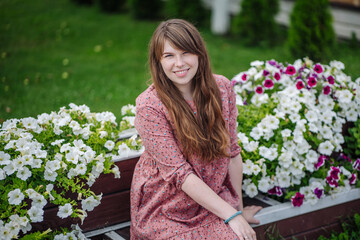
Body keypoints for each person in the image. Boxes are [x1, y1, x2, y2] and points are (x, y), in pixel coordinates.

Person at [130, 19, 262, 240]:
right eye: (169, 56)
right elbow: (180, 175)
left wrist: (237, 209)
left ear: (200, 54)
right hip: (167, 208)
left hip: (212, 198)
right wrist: (231, 215)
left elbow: (232, 152)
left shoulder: (221, 88)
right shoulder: (150, 106)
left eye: (186, 53)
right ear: (158, 62)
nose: (179, 63)